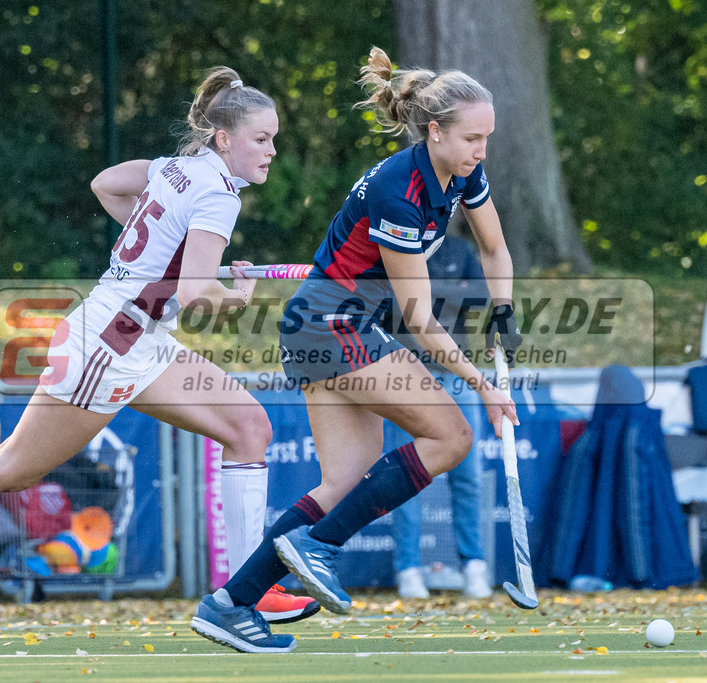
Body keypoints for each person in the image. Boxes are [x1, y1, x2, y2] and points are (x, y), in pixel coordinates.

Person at [0, 67, 316, 625]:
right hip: (110, 345)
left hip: (138, 338)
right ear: (225, 139)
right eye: (262, 138)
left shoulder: (179, 169)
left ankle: (246, 590)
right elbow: (198, 291)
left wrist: (161, 253)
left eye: (273, 138)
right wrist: (238, 295)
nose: (272, 149)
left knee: (249, 428)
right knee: (11, 468)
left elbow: (106, 184)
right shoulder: (218, 192)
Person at [190, 47, 522, 654]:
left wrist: (503, 310)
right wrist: (483, 386)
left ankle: (229, 605)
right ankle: (320, 547)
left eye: (487, 139)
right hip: (330, 323)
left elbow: (496, 249)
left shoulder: (464, 172)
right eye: (472, 138)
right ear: (435, 130)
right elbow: (419, 318)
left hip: (326, 325)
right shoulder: (400, 189)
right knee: (451, 437)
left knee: (342, 481)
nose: (481, 151)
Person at [384, 231, 493, 600]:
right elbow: (389, 305)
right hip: (404, 378)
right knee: (405, 479)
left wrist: (427, 293)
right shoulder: (395, 247)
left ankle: (474, 565)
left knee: (468, 476)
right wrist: (451, 290)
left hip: (458, 378)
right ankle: (408, 570)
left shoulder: (459, 249)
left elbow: (481, 297)